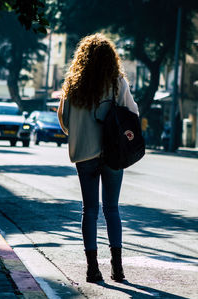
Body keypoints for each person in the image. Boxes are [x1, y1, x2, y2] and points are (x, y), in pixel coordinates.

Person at [58, 33, 139, 283]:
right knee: (112, 209)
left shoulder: (74, 83)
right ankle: (118, 268)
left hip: (85, 153)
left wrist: (81, 133)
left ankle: (92, 269)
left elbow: (64, 119)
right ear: (110, 58)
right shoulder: (117, 82)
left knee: (89, 210)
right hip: (113, 153)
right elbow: (133, 113)